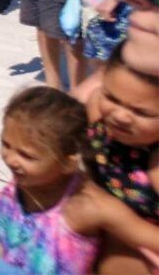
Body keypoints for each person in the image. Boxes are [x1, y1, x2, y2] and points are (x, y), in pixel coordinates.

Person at [0, 86, 158, 275]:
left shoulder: (88, 205)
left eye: (26, 155)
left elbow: (148, 237)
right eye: (6, 144)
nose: (10, 159)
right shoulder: (27, 181)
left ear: (68, 163)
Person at [76, 42, 159, 274]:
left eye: (141, 112)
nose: (120, 116)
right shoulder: (96, 109)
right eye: (111, 98)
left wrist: (119, 221)